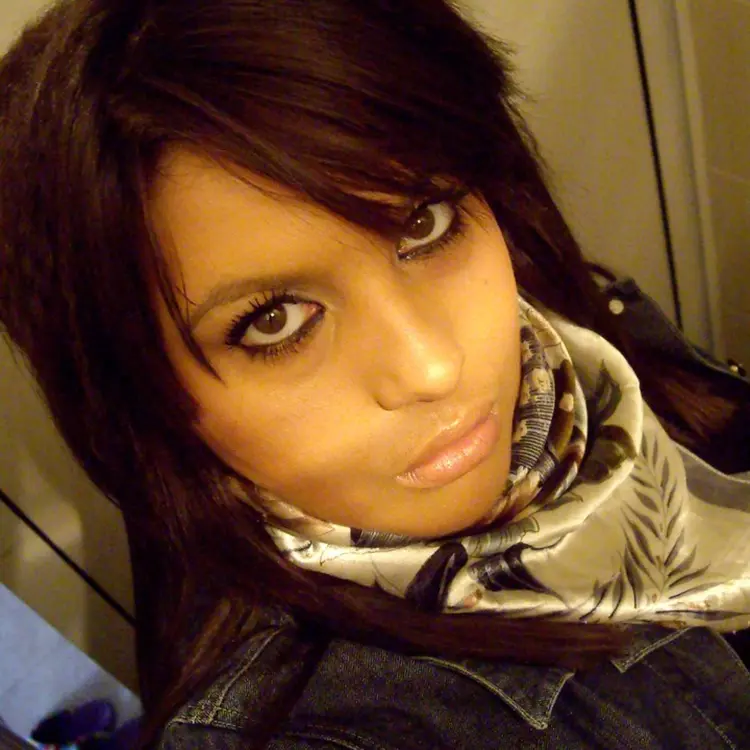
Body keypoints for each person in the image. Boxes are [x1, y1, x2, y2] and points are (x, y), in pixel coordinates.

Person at [1, 0, 749, 747]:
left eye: (425, 223)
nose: (432, 367)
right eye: (276, 321)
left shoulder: (576, 340)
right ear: (140, 399)